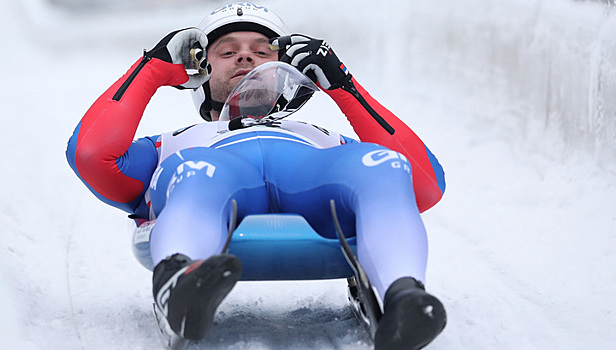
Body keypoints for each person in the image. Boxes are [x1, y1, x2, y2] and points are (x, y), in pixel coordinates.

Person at [66, 3, 447, 349]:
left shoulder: (322, 139)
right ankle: (181, 280)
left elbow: (424, 184)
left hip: (310, 175)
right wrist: (150, 70)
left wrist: (344, 86)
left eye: (263, 53)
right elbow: (90, 154)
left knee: (383, 166)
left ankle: (405, 300)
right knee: (196, 171)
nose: (246, 56)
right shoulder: (173, 145)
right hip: (214, 175)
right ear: (200, 71)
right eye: (227, 52)